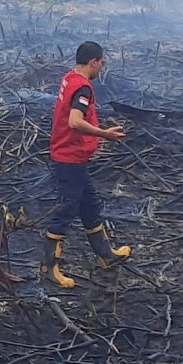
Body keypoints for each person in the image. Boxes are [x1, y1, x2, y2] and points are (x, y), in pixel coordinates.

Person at [45, 41, 130, 290]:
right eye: (101, 63)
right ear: (93, 62)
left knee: (90, 205)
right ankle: (48, 268)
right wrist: (105, 134)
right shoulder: (83, 88)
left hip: (72, 158)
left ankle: (106, 255)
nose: (101, 68)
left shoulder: (69, 78)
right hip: (69, 159)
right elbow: (74, 122)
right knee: (65, 211)